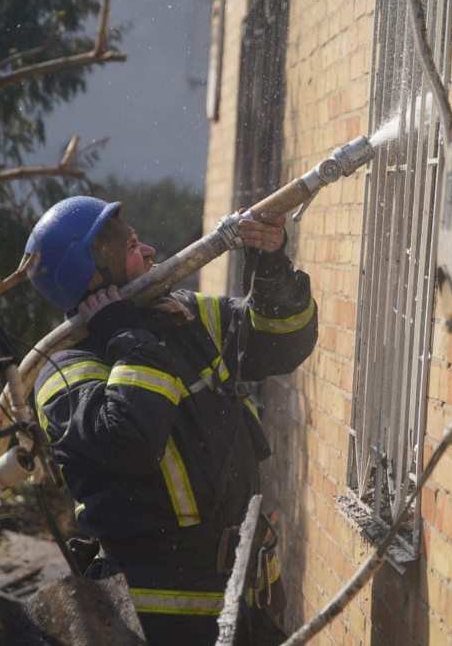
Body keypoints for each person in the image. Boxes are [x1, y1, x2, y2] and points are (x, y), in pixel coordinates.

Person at [24, 196, 317, 644]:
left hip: (246, 600)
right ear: (95, 273)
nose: (150, 253)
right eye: (133, 246)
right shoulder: (66, 369)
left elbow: (278, 343)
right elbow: (129, 439)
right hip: (159, 623)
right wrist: (126, 337)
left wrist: (271, 263)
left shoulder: (182, 317)